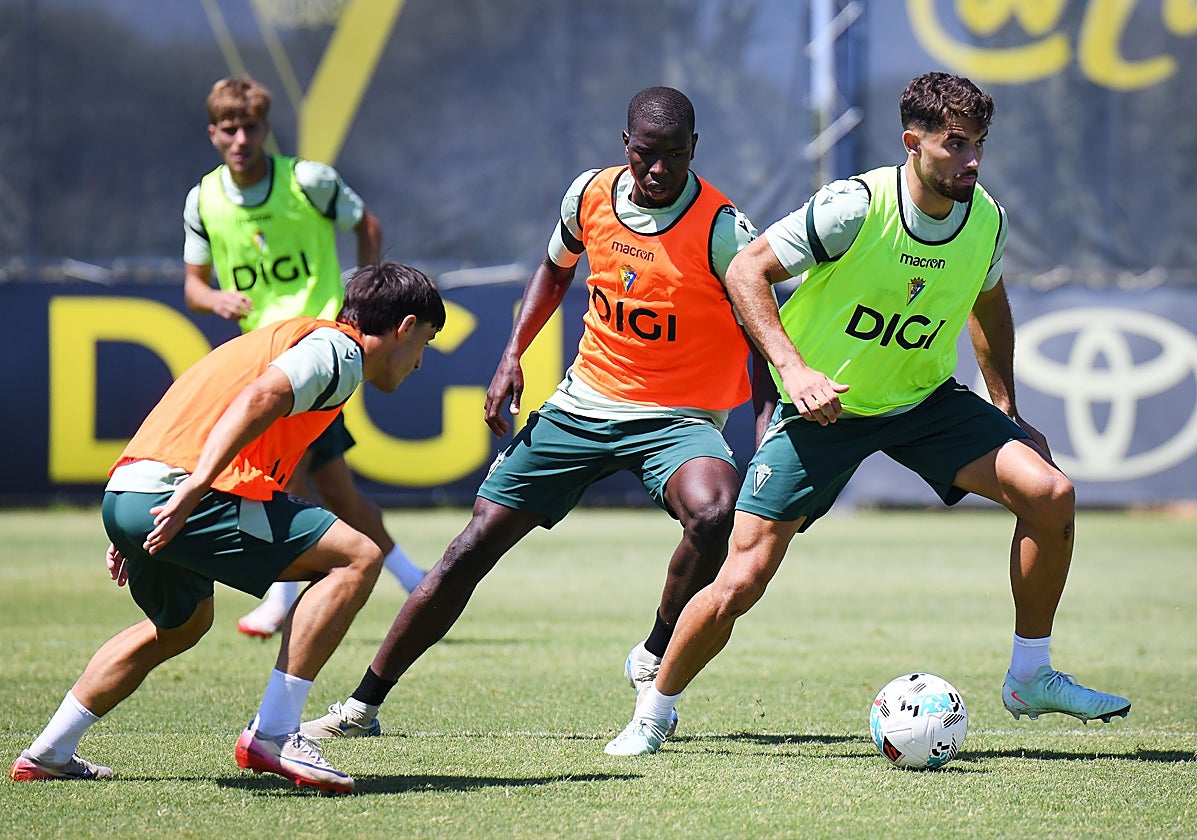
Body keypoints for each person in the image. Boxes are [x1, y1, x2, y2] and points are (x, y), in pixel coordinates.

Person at [604, 71, 1131, 756]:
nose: (971, 161)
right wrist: (793, 370)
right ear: (913, 143)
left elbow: (989, 304)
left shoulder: (987, 218)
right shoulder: (855, 206)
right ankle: (656, 709)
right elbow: (745, 272)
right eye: (956, 145)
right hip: (825, 411)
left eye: (979, 146)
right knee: (742, 579)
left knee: (1050, 493)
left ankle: (1031, 674)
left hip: (923, 401)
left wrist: (1007, 406)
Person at [300, 86, 767, 741]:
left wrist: (771, 413)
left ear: (696, 148)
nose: (657, 170)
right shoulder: (588, 196)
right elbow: (554, 271)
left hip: (677, 417)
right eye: (644, 154)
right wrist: (511, 355)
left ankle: (656, 650)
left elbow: (765, 320)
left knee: (715, 512)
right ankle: (362, 707)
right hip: (583, 405)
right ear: (624, 145)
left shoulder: (722, 229)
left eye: (673, 156)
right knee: (471, 547)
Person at [9, 263, 445, 793]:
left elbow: (195, 407)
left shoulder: (289, 337)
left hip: (132, 488)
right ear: (404, 326)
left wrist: (132, 514)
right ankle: (277, 733)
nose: (421, 360)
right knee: (356, 556)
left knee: (182, 625)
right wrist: (191, 487)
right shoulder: (340, 351)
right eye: (426, 340)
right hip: (181, 490)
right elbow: (258, 399)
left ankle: (50, 750)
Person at [182, 76, 426, 640]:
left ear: (267, 130)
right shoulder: (204, 200)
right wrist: (217, 297)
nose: (241, 138)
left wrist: (361, 299)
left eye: (251, 127)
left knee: (290, 478)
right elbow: (193, 287)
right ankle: (413, 577)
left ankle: (285, 593)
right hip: (262, 357)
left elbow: (368, 226)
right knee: (326, 484)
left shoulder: (308, 181)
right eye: (229, 129)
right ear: (213, 134)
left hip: (319, 350)